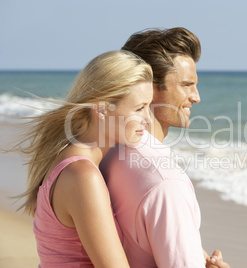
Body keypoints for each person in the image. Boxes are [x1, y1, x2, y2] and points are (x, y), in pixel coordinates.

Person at [9, 50, 153, 267]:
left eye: (149, 106)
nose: (148, 119)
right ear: (102, 109)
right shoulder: (83, 176)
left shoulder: (71, 160)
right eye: (140, 108)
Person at [100, 28, 230, 267]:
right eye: (187, 84)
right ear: (149, 87)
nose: (196, 96)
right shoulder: (166, 183)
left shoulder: (108, 155)